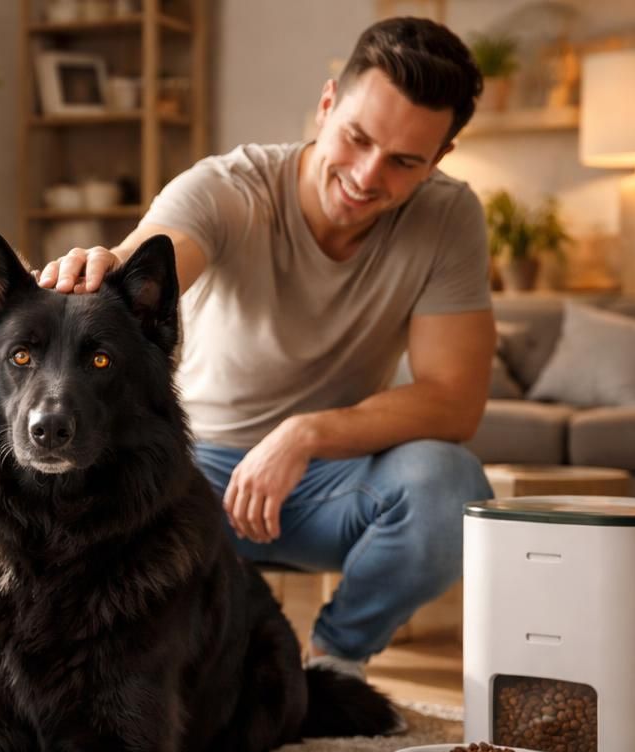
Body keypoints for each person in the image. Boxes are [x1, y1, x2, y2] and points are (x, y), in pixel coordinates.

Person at [37, 17, 496, 681]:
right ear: (328, 103)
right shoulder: (227, 189)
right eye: (357, 138)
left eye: (404, 162)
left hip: (330, 484)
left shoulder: (449, 217)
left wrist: (304, 435)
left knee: (451, 487)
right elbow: (144, 272)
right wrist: (105, 271)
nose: (367, 176)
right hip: (192, 481)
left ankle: (335, 664)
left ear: (440, 157)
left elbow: (454, 401)